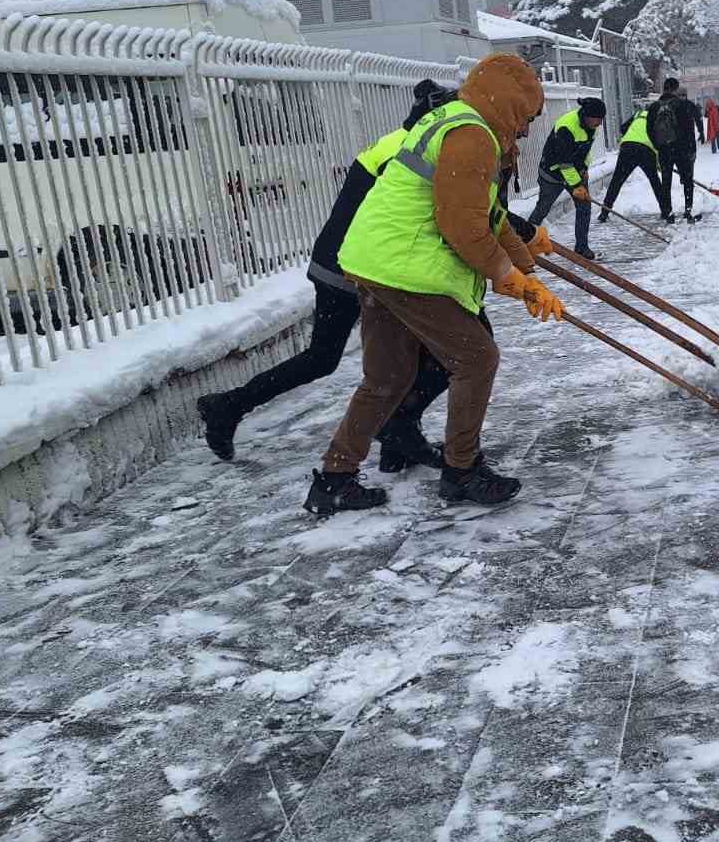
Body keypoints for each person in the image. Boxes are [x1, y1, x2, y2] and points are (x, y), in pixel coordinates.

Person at [196, 80, 551, 475]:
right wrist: (522, 242)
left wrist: (521, 241)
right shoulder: (423, 144)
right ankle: (232, 406)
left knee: (412, 360)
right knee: (349, 358)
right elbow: (456, 206)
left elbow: (472, 204)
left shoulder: (414, 138)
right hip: (353, 266)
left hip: (372, 260)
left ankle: (396, 434)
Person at [305, 53, 564, 516]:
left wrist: (525, 268)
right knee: (476, 359)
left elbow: (487, 212)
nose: (525, 129)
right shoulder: (472, 136)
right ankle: (462, 470)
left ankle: (334, 479)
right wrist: (508, 279)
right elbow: (462, 224)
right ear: (506, 102)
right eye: (524, 116)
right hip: (406, 265)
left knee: (386, 377)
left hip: (374, 259)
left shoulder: (457, 119)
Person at [527, 96, 604, 258]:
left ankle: (581, 248)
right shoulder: (566, 127)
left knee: (584, 207)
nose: (600, 124)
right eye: (597, 120)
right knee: (543, 208)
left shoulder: (591, 126)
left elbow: (584, 150)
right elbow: (564, 162)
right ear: (587, 116)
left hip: (573, 171)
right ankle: (524, 242)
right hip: (552, 172)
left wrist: (584, 169)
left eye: (601, 120)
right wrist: (577, 186)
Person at [598, 104, 669, 222]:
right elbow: (660, 141)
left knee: (616, 181)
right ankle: (665, 211)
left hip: (628, 147)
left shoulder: (638, 114)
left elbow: (623, 128)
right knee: (655, 182)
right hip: (646, 150)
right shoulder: (659, 119)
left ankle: (604, 212)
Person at [649, 78, 703, 223]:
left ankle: (668, 212)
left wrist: (658, 146)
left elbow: (649, 130)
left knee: (666, 182)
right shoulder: (682, 105)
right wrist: (691, 149)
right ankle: (688, 210)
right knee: (687, 180)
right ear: (675, 89)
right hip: (683, 150)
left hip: (664, 151)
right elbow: (689, 129)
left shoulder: (654, 107)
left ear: (664, 88)